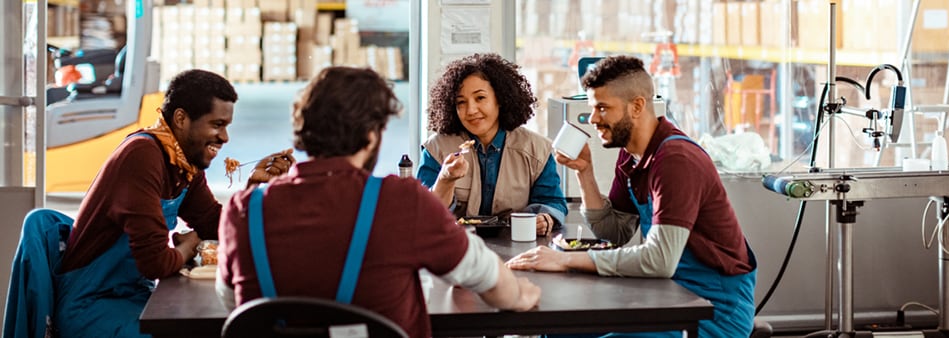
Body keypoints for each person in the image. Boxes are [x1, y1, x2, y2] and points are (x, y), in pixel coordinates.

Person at [217, 66, 541, 337]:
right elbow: (484, 274)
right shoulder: (400, 203)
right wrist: (521, 295)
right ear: (372, 135)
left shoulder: (243, 210)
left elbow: (236, 306)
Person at [505, 56, 757, 338]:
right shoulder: (631, 154)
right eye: (592, 108)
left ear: (637, 106)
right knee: (557, 331)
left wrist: (565, 260)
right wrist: (585, 173)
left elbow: (659, 260)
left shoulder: (676, 160)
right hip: (667, 293)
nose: (592, 119)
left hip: (713, 307)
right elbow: (616, 232)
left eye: (602, 108)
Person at [51, 69, 293, 337]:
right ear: (181, 119)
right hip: (91, 306)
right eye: (217, 125)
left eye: (226, 127)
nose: (225, 138)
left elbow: (216, 226)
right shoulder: (141, 156)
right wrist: (188, 247)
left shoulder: (182, 163)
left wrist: (253, 188)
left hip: (131, 295)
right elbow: (156, 263)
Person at [419, 53, 567, 236]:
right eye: (461, 102)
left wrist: (545, 218)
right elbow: (424, 213)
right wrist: (445, 180)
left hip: (519, 247)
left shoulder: (537, 149)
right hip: (455, 248)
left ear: (500, 99)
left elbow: (553, 202)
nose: (471, 110)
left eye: (480, 98)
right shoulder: (436, 149)